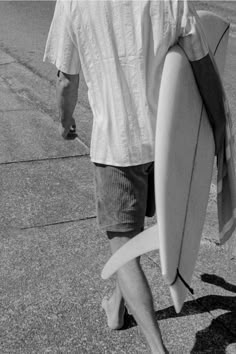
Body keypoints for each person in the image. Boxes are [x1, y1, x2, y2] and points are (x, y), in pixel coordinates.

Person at [44, 1, 229, 352]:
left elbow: (66, 78)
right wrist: (219, 129)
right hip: (168, 144)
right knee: (131, 241)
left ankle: (158, 349)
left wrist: (64, 120)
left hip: (117, 148)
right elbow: (202, 64)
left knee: (125, 250)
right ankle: (116, 308)